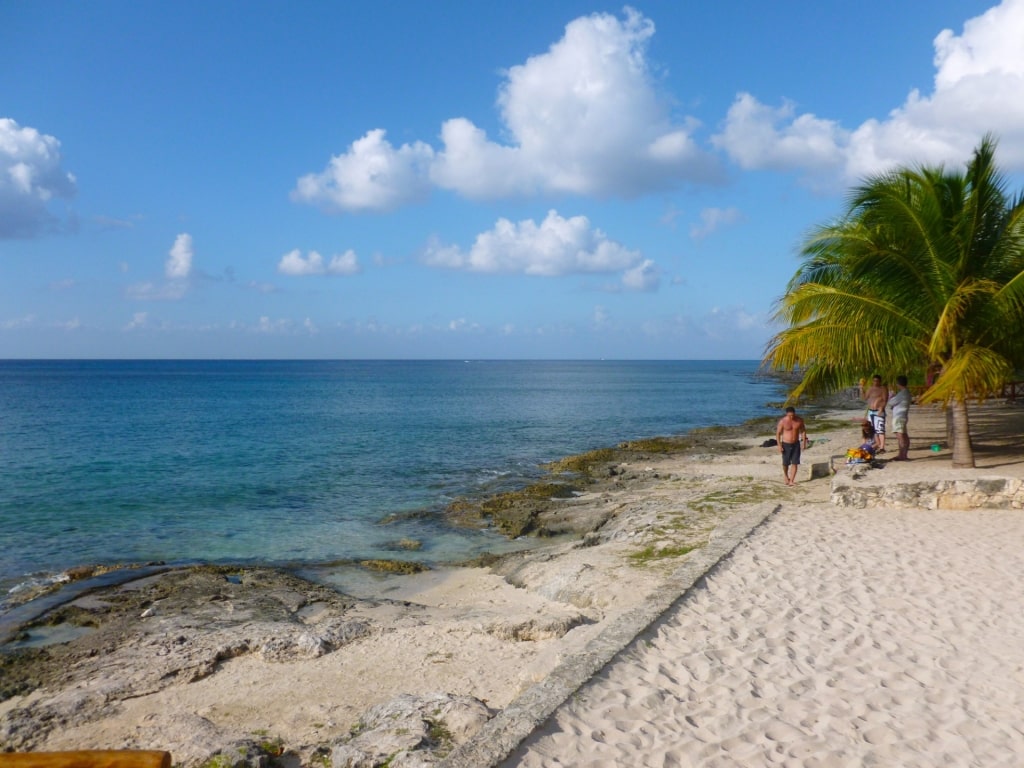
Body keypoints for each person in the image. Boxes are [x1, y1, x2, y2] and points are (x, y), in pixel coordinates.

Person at [775, 406, 808, 486]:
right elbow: (778, 434)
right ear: (787, 414)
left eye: (792, 415)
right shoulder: (783, 421)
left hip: (796, 444)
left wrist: (803, 443)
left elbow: (803, 431)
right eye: (790, 415)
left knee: (795, 462)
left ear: (795, 413)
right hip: (786, 444)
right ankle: (786, 476)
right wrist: (779, 445)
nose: (791, 417)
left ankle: (791, 481)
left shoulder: (799, 420)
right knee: (785, 463)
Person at [860, 374, 889, 452]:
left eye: (877, 381)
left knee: (880, 429)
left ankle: (882, 447)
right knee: (872, 429)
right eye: (874, 381)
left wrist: (882, 408)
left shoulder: (882, 388)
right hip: (871, 411)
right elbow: (864, 398)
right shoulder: (870, 389)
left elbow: (885, 399)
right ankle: (875, 444)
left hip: (878, 411)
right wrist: (862, 389)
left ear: (880, 381)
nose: (875, 382)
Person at [889, 374, 912, 460]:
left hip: (899, 416)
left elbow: (891, 402)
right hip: (902, 416)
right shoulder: (906, 393)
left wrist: (891, 396)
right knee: (904, 435)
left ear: (898, 384)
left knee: (900, 436)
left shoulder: (902, 393)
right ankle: (903, 454)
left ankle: (902, 455)